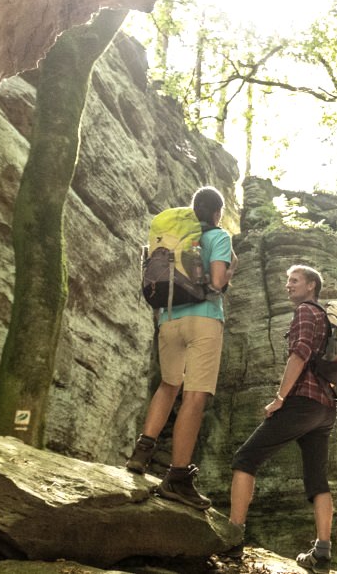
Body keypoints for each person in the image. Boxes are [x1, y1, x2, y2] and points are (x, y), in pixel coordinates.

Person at [126, 186, 233, 510]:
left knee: (169, 384)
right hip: (204, 320)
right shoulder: (217, 235)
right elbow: (216, 282)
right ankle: (177, 476)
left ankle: (141, 453)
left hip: (169, 318)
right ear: (216, 213)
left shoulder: (176, 235)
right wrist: (231, 270)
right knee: (196, 395)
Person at [228, 264, 337, 573]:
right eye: (287, 280)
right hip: (326, 408)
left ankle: (233, 537)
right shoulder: (326, 317)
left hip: (302, 401)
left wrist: (280, 398)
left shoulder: (305, 310)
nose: (288, 286)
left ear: (311, 286)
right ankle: (322, 553)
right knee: (317, 480)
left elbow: (300, 353)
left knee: (245, 459)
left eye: (295, 281)